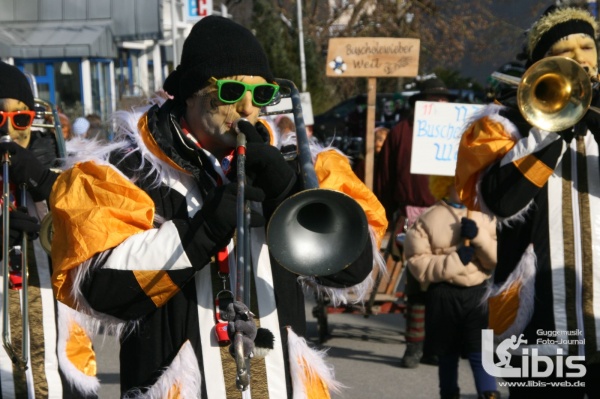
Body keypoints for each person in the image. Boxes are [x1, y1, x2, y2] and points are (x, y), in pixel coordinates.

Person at [2, 16, 387, 398]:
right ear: (190, 94)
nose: (249, 109)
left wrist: (288, 193)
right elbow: (100, 288)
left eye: (263, 94)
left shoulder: (299, 164)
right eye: (231, 92)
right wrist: (202, 230)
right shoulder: (123, 171)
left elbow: (354, 269)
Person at [456, 5, 600, 398]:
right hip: (538, 321)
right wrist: (556, 127)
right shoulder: (507, 125)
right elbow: (501, 200)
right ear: (541, 66)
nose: (579, 59)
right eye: (564, 51)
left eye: (587, 46)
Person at [0, 61, 97, 398]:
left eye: (20, 119)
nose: (9, 132)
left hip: (60, 361)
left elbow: (100, 242)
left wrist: (45, 183)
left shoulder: (58, 171)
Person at [374, 74, 456, 368]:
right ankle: (419, 347)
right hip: (418, 217)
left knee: (436, 284)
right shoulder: (401, 132)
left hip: (450, 216)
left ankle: (427, 346)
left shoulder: (455, 133)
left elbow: (384, 181)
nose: (440, 103)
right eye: (435, 100)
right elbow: (386, 179)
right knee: (426, 282)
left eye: (443, 100)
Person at [404, 175, 499, 399]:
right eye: (459, 185)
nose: (466, 190)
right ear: (445, 186)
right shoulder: (428, 219)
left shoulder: (485, 217)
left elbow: (495, 259)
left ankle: (489, 393)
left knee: (480, 352)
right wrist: (456, 260)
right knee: (447, 354)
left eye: (470, 185)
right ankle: (448, 394)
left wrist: (479, 238)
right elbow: (418, 263)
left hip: (477, 294)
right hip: (443, 295)